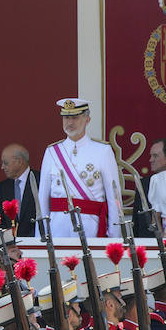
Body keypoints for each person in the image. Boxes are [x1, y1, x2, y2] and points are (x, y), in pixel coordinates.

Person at [38, 98, 122, 239]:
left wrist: (114, 237)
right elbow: (43, 199)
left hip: (90, 228)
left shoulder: (103, 151)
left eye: (75, 118)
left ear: (87, 119)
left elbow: (114, 197)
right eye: (66, 118)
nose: (70, 123)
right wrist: (42, 235)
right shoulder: (52, 151)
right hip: (58, 228)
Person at [0, 142, 39, 237]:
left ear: (19, 161)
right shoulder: (4, 187)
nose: (2, 167)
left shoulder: (40, 180)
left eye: (5, 163)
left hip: (36, 243)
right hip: (11, 246)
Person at [134, 138, 166, 238]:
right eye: (151, 156)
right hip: (148, 244)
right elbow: (136, 222)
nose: (151, 160)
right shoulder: (143, 184)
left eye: (155, 156)